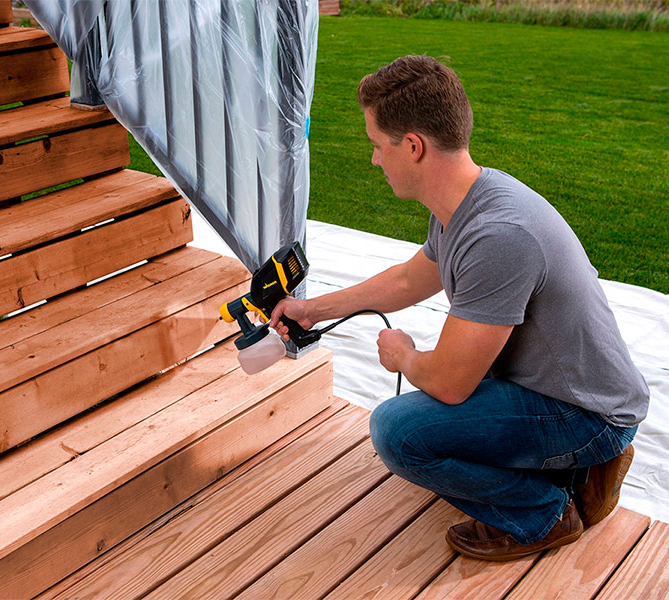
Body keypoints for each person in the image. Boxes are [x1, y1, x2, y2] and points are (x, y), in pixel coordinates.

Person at [269, 55, 649, 561]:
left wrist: (404, 355)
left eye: (378, 146)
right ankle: (574, 471)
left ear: (413, 146)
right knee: (444, 388)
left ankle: (543, 513)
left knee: (399, 433)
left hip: (588, 414)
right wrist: (312, 309)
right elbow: (409, 279)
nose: (374, 160)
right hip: (557, 387)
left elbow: (450, 383)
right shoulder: (465, 202)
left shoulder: (499, 235)